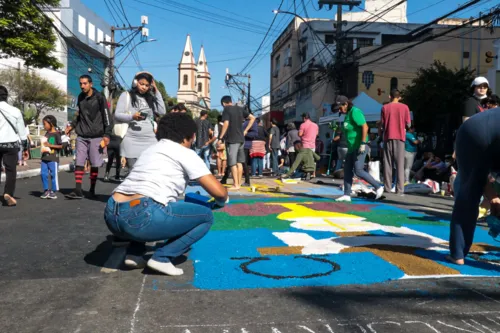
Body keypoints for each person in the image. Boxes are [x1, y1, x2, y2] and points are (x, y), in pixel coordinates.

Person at [104, 113, 228, 275]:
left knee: (155, 202)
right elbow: (219, 192)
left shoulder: (151, 149)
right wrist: (221, 200)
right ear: (188, 137)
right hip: (143, 214)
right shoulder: (185, 152)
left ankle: (135, 254)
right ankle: (162, 257)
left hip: (112, 212)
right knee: (205, 216)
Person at [447, 109, 500, 265]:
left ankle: (458, 253)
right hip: (476, 132)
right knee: (470, 189)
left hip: (472, 131)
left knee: (469, 192)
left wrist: (494, 197)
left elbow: (477, 176)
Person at [65, 75, 113, 199]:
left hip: (96, 136)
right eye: (81, 83)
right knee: (79, 162)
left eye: (85, 83)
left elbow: (107, 117)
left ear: (91, 84)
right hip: (82, 134)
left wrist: (107, 134)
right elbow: (78, 115)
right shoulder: (80, 97)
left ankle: (92, 189)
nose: (82, 86)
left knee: (94, 164)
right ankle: (78, 189)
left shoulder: (99, 97)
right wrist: (72, 126)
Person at [334, 96, 384, 202]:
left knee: (358, 170)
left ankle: (378, 186)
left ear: (346, 104)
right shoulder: (347, 114)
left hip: (360, 146)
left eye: (340, 107)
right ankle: (347, 194)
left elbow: (365, 127)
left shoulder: (355, 112)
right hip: (351, 147)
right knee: (347, 170)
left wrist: (363, 143)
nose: (339, 110)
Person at [114, 72, 166, 171]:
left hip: (150, 140)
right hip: (131, 139)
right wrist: (132, 117)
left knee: (148, 172)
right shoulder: (126, 95)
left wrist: (156, 91)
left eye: (147, 85)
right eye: (141, 84)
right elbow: (117, 114)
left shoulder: (150, 98)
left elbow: (162, 111)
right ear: (135, 82)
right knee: (133, 172)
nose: (144, 87)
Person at [218, 96, 255, 190]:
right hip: (241, 139)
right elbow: (252, 118)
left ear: (223, 103)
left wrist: (220, 137)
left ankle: (236, 184)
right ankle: (238, 183)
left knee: (232, 163)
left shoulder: (226, 109)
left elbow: (226, 123)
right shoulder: (240, 108)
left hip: (232, 139)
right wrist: (246, 130)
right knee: (239, 162)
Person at [379, 89, 411, 195]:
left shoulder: (384, 108)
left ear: (390, 96)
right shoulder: (405, 107)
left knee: (387, 163)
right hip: (400, 137)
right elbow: (409, 125)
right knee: (400, 164)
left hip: (388, 137)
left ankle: (387, 187)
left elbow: (383, 125)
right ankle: (400, 189)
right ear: (399, 97)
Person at [0, 86, 28, 207]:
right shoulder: (15, 111)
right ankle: (8, 193)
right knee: (11, 170)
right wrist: (25, 147)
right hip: (11, 144)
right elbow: (22, 132)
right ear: (6, 96)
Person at [40, 116, 62, 199]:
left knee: (53, 174)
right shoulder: (47, 134)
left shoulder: (57, 134)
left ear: (51, 124)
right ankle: (46, 190)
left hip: (53, 158)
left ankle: (53, 191)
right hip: (44, 157)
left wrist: (50, 145)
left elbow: (60, 146)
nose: (44, 126)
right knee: (43, 174)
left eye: (45, 124)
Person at [242, 115, 258, 185]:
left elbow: (254, 134)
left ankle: (247, 180)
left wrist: (245, 133)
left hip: (245, 144)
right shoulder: (240, 120)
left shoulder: (252, 122)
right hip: (236, 143)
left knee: (244, 162)